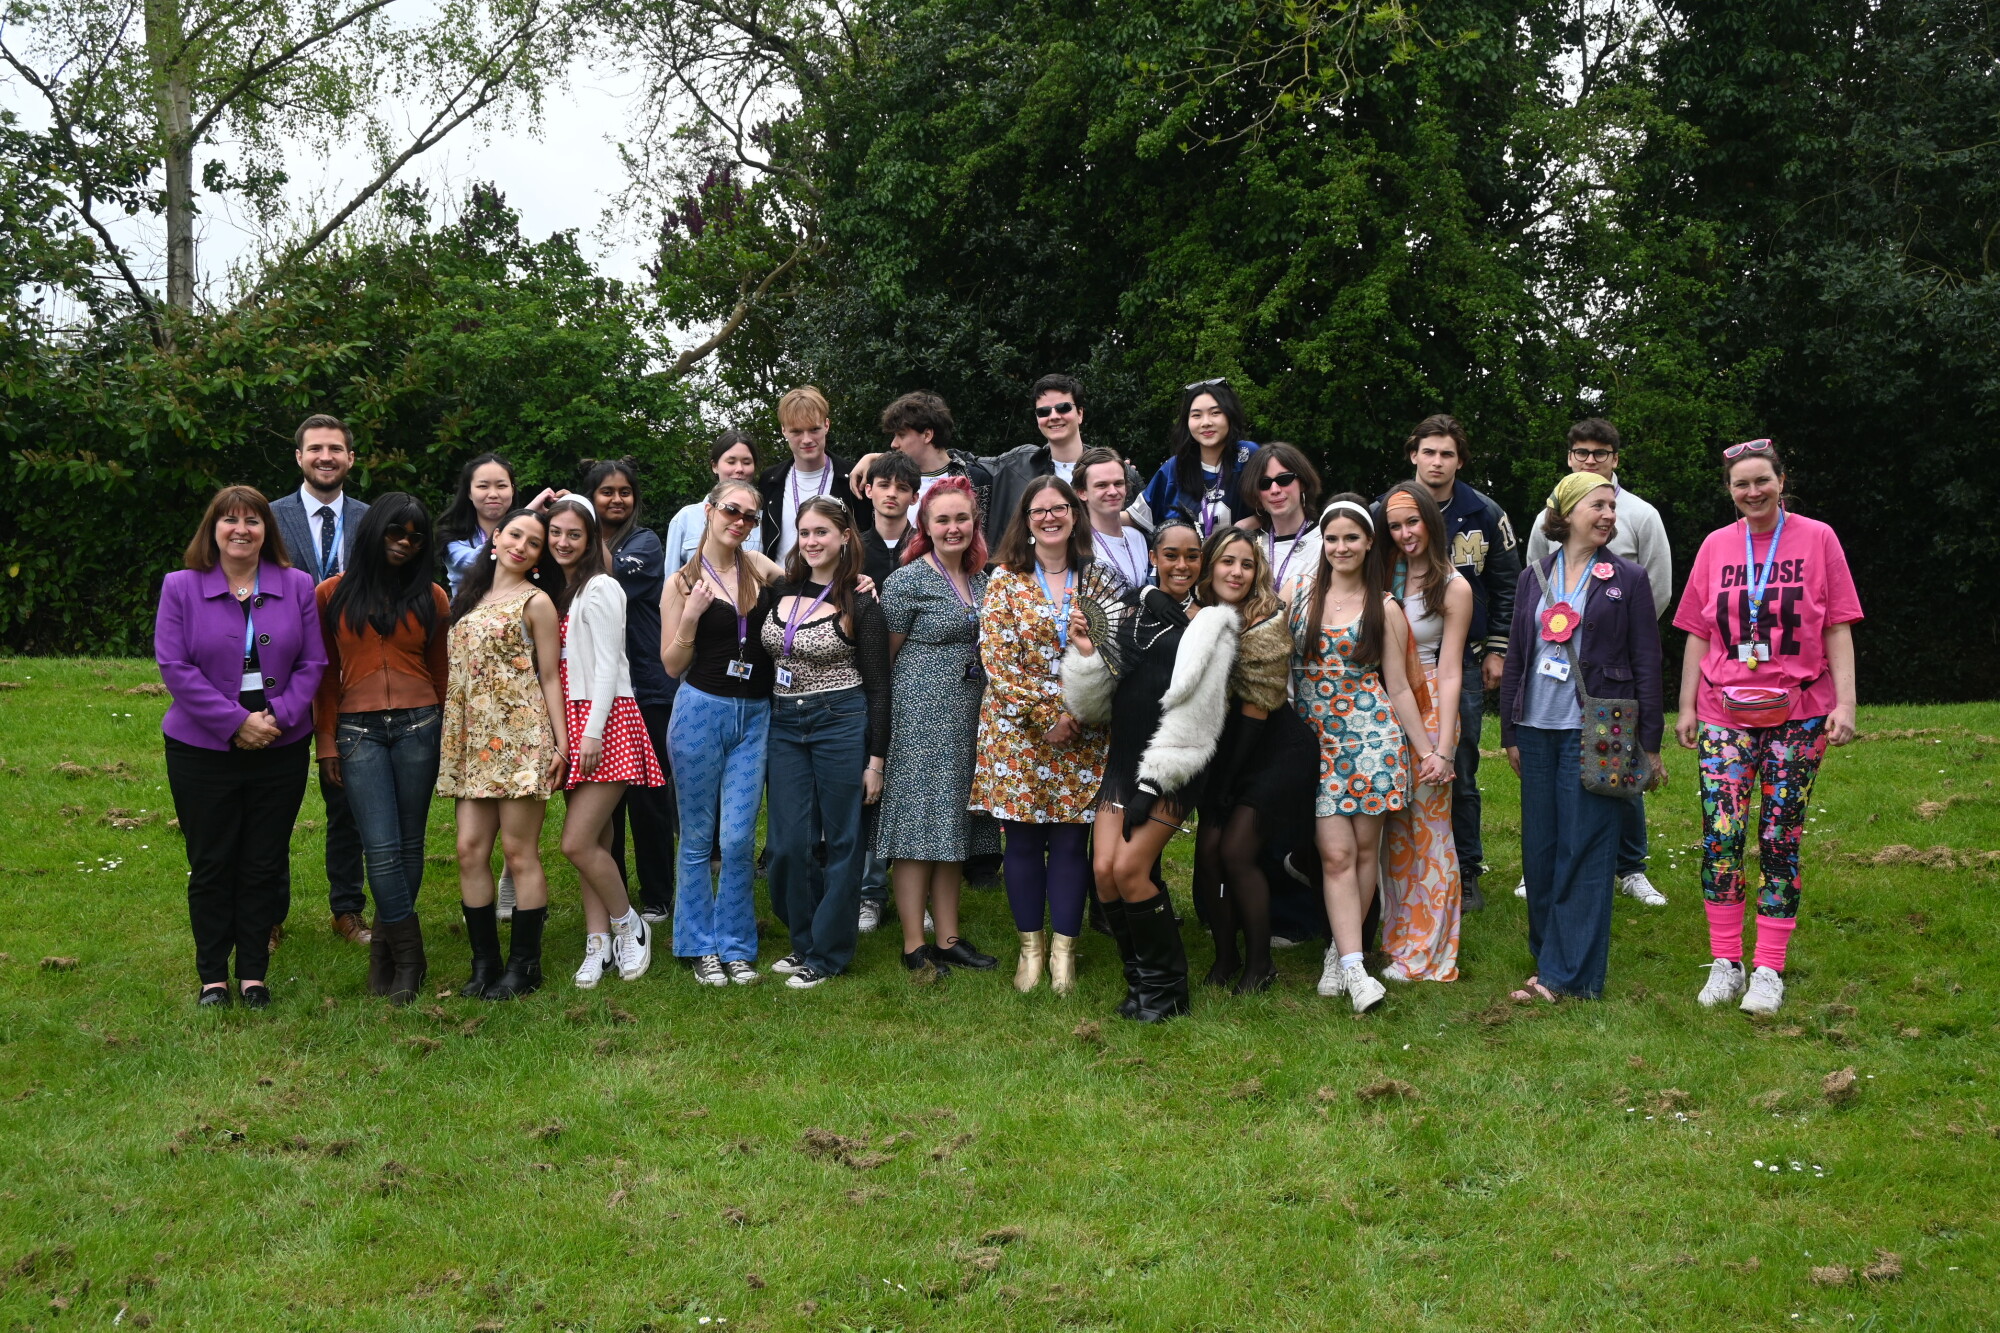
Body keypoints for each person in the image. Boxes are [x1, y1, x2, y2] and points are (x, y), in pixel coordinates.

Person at [1674, 440, 1859, 1016]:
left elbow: (1838, 625)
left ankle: (1768, 970)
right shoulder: (1715, 545)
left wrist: (1846, 704)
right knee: (1720, 835)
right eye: (1741, 484)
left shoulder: (1818, 538)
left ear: (1782, 481)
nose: (1752, 492)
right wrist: (1686, 706)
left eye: (1762, 481)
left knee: (1781, 837)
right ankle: (1726, 962)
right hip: (1722, 710)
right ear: (1729, 490)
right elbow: (1698, 631)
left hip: (1801, 712)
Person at [1497, 473, 1665, 1003]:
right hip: (1535, 729)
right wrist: (1509, 731)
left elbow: (1647, 660)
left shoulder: (1628, 578)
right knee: (1541, 849)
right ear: (1566, 514)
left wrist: (1650, 742)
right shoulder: (1533, 576)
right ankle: (1550, 957)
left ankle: (1568, 978)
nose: (1609, 515)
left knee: (1587, 848)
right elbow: (1518, 656)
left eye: (1613, 506)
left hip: (1599, 729)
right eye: (1598, 505)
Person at [157, 486, 326, 1008]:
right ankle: (213, 977)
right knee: (212, 863)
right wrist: (235, 723)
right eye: (229, 520)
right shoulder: (181, 586)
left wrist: (281, 717)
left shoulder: (297, 585)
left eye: (252, 521)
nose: (241, 529)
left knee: (263, 861)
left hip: (280, 744)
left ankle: (253, 974)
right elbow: (175, 666)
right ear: (213, 529)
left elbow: (313, 663)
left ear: (265, 531)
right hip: (201, 750)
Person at [1286, 496, 1442, 1014]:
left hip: (1372, 741)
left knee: (1363, 853)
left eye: (1351, 537)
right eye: (1332, 538)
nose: (1341, 547)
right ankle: (1355, 967)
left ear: (1369, 542)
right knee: (1334, 854)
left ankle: (1342, 956)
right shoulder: (1299, 595)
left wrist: (1427, 751)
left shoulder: (1385, 607)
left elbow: (1397, 687)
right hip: (1314, 743)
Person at [970, 476, 1117, 991]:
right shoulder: (1004, 580)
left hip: (1085, 728)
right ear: (1026, 520)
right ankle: (1030, 951)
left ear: (1075, 514)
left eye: (1059, 508)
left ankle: (1064, 956)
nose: (1050, 517)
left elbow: (1116, 653)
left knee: (1072, 842)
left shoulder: (1099, 579)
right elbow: (997, 659)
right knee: (1024, 842)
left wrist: (1078, 710)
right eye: (1039, 511)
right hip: (1018, 730)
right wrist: (1046, 714)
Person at [1523, 418, 1673, 907]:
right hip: (1554, 670)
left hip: (1612, 663)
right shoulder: (1551, 514)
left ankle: (1631, 867)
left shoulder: (1641, 515)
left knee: (1617, 769)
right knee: (1566, 778)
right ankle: (1547, 864)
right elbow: (1536, 581)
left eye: (1600, 452)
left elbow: (1656, 587)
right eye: (1581, 452)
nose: (1590, 459)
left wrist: (1617, 636)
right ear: (1569, 457)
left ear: (1615, 458)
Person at [1062, 518, 1206, 1019]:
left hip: (1174, 762)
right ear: (1154, 558)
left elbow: (1201, 712)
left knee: (1129, 869)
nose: (1181, 565)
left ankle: (1169, 988)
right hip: (1123, 758)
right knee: (1104, 874)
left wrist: (1155, 781)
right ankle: (1140, 981)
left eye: (1192, 556)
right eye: (1171, 555)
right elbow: (1097, 698)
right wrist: (1087, 653)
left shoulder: (1208, 621)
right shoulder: (1130, 611)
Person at [313, 494, 451, 1005]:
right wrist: (326, 741)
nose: (405, 543)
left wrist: (447, 735)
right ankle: (409, 957)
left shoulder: (432, 597)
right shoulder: (330, 594)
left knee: (411, 845)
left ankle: (386, 952)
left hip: (421, 725)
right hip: (357, 731)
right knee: (380, 848)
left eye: (415, 537)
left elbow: (441, 672)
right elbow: (325, 675)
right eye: (396, 532)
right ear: (374, 530)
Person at [437, 507, 569, 1001]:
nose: (521, 546)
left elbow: (550, 676)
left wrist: (561, 743)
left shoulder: (537, 602)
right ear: (495, 539)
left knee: (518, 852)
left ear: (538, 558)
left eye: (534, 543)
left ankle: (524, 966)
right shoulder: (467, 598)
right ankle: (484, 964)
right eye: (515, 535)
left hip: (520, 739)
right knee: (469, 850)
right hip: (471, 740)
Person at [876, 476, 1004, 981]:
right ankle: (914, 944)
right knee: (917, 829)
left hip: (969, 716)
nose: (954, 527)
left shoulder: (983, 580)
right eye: (943, 519)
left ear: (974, 524)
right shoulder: (907, 582)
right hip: (920, 718)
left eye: (961, 518)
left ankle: (949, 938)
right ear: (925, 527)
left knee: (953, 827)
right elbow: (884, 661)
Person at [761, 497, 892, 989]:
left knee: (842, 842)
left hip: (841, 720)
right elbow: (736, 555)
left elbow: (879, 687)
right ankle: (804, 940)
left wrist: (875, 761)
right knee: (786, 845)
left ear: (844, 537)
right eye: (805, 532)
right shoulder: (782, 587)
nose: (812, 541)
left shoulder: (861, 601)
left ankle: (828, 954)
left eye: (822, 532)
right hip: (784, 723)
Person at [660, 478, 786, 987]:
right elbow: (672, 664)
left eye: (750, 516)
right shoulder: (681, 582)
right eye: (732, 510)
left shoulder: (759, 568)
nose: (740, 522)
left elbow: (815, 580)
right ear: (709, 510)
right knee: (697, 837)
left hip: (754, 716)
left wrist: (858, 581)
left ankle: (735, 946)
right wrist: (690, 618)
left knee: (736, 840)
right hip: (700, 711)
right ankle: (698, 945)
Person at [1396, 414, 1518, 913]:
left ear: (1459, 461)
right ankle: (1400, 865)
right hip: (1395, 660)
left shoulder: (1485, 513)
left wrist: (1498, 648)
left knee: (1459, 765)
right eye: (1428, 452)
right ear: (1413, 454)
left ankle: (1466, 868)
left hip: (1463, 657)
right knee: (1397, 762)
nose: (1437, 462)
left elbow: (1508, 582)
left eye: (1447, 454)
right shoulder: (1390, 509)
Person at [1189, 528, 1319, 994]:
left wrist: (1223, 785)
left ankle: (1260, 964)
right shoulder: (1196, 612)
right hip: (1224, 751)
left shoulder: (1266, 620)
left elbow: (1256, 712)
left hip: (1272, 749)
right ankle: (1226, 956)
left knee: (1236, 851)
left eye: (1246, 564)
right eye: (1227, 561)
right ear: (1210, 566)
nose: (1237, 572)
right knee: (1207, 855)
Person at [546, 497, 667, 989]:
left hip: (605, 721)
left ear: (592, 539)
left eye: (574, 534)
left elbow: (608, 666)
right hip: (576, 723)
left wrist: (592, 731)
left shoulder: (602, 586)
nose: (563, 542)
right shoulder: (566, 590)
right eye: (556, 532)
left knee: (575, 842)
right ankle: (597, 943)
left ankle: (628, 924)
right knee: (596, 840)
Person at [270, 413, 371, 947]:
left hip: (351, 677)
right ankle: (267, 916)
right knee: (272, 803)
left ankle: (347, 910)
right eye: (315, 449)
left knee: (348, 802)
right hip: (281, 678)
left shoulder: (372, 520)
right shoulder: (268, 518)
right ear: (299, 457)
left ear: (350, 458)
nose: (325, 457)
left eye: (335, 449)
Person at [1377, 482, 1470, 982]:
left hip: (1431, 705)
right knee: (1394, 834)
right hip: (1382, 708)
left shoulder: (1453, 586)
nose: (1405, 533)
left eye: (1412, 522)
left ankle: (1431, 953)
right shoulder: (1382, 571)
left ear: (1431, 521)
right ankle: (1398, 939)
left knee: (1431, 833)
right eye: (1395, 525)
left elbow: (1452, 671)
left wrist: (1445, 747)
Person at [584, 458, 679, 926]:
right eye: (606, 492)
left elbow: (610, 580)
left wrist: (581, 528)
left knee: (650, 798)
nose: (617, 499)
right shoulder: (574, 542)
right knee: (605, 803)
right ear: (592, 497)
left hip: (647, 685)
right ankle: (613, 889)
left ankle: (658, 895)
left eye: (625, 491)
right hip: (598, 688)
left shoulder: (644, 543)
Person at [853, 450, 921, 933]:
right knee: (870, 788)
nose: (892, 494)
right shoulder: (853, 548)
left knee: (914, 787)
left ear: (914, 496)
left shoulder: (928, 545)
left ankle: (918, 890)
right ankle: (869, 891)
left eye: (902, 487)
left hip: (920, 681)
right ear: (869, 490)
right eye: (884, 485)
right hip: (865, 681)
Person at [1137, 378, 1259, 538]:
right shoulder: (1175, 467)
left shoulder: (1248, 455)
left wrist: (1249, 523)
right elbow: (1137, 516)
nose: (1206, 422)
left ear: (1230, 415)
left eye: (1215, 413)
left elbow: (1282, 505)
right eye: (1196, 415)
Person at [759, 386, 864, 564]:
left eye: (814, 429)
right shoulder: (770, 480)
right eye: (797, 431)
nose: (807, 439)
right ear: (784, 430)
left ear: (826, 425)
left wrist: (872, 458)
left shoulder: (852, 477)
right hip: (780, 580)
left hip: (836, 580)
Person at [438, 452, 559, 596]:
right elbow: (477, 562)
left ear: (512, 490)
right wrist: (526, 514)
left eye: (501, 486)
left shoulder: (538, 533)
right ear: (469, 492)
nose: (493, 494)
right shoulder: (451, 539)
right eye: (483, 486)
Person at [877, 391, 995, 521]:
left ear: (927, 435)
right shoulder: (884, 479)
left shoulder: (975, 480)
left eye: (901, 435)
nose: (893, 444)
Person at [666, 430, 763, 569]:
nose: (739, 469)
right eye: (731, 462)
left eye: (746, 462)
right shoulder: (685, 518)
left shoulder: (762, 521)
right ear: (714, 466)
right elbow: (672, 574)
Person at [1238, 442, 1320, 591]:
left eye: (1284, 479)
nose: (1274, 489)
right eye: (1264, 483)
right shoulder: (1250, 545)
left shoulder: (1326, 541)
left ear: (1302, 483)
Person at [1077, 447, 1153, 594]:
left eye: (1118, 483)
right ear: (1082, 492)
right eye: (1101, 485)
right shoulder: (1079, 546)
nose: (1112, 492)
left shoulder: (1137, 538)